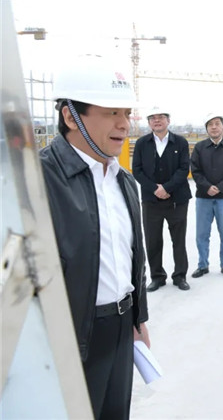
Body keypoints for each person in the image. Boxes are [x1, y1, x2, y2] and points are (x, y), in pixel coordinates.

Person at [40, 54, 150, 419]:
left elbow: (132, 259)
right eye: (111, 112)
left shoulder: (124, 181)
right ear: (71, 117)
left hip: (120, 329)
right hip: (70, 340)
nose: (125, 124)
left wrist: (137, 320)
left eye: (127, 113)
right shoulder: (38, 181)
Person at [133, 107, 192, 291]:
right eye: (153, 118)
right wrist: (155, 189)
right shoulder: (142, 143)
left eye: (161, 117)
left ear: (168, 120)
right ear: (149, 122)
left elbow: (184, 168)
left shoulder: (180, 142)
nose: (157, 120)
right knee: (153, 240)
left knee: (179, 240)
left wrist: (167, 188)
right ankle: (157, 277)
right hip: (151, 201)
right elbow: (137, 170)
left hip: (177, 200)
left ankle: (180, 276)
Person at [190, 113, 223, 278]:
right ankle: (202, 265)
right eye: (210, 124)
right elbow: (195, 171)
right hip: (203, 197)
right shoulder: (199, 148)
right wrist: (207, 187)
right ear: (206, 128)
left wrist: (219, 188)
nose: (214, 127)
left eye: (217, 123)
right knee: (202, 234)